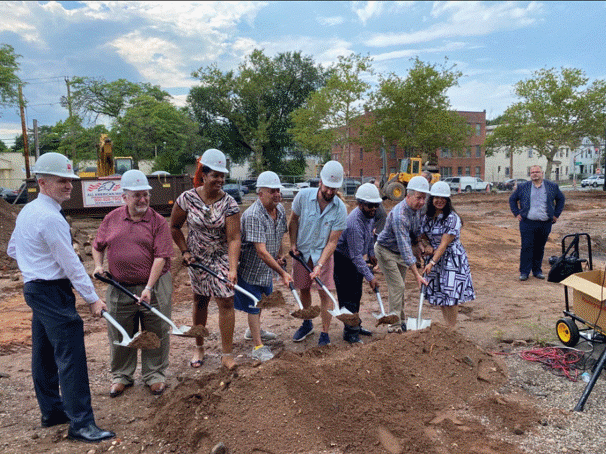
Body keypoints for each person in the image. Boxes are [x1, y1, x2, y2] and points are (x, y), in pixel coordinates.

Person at [7, 152, 115, 443]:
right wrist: (92, 299)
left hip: (36, 289)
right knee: (71, 357)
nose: (68, 185)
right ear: (42, 182)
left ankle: (52, 411)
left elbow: (13, 250)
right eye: (61, 181)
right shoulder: (50, 218)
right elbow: (71, 264)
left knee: (43, 353)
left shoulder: (28, 211)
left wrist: (33, 266)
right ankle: (81, 424)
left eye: (70, 180)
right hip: (51, 291)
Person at [92, 170, 173, 397]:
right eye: (137, 195)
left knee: (156, 330)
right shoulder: (112, 218)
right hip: (120, 287)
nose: (143, 200)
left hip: (155, 286)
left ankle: (154, 375)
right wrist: (98, 266)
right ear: (124, 197)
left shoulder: (157, 221)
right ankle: (121, 376)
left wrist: (148, 288)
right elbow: (97, 246)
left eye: (145, 194)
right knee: (119, 330)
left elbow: (161, 257)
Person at [170, 149, 240, 370]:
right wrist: (184, 251)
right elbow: (174, 227)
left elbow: (233, 238)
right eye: (215, 175)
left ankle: (227, 354)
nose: (220, 180)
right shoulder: (187, 199)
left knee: (227, 300)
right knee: (200, 300)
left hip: (221, 257)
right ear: (204, 174)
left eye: (222, 176)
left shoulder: (230, 204)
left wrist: (232, 268)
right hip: (197, 259)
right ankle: (199, 347)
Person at [289, 160, 348, 346]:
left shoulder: (340, 209)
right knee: (304, 288)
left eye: (334, 189)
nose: (330, 192)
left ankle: (325, 332)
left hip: (323, 254)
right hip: (302, 252)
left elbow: (333, 241)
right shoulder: (303, 197)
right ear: (320, 182)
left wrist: (320, 264)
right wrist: (292, 244)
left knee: (325, 292)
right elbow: (293, 221)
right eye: (328, 188)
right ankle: (307, 324)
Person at [235, 171, 292, 361]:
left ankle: (253, 332)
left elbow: (279, 236)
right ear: (260, 193)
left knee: (261, 303)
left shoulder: (280, 210)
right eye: (272, 191)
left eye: (278, 190)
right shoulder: (253, 215)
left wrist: (280, 255)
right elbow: (260, 251)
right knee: (254, 304)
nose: (277, 194)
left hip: (267, 268)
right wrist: (282, 272)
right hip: (251, 269)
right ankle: (258, 346)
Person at [374, 176, 430, 333]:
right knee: (397, 286)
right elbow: (406, 249)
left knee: (399, 288)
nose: (421, 202)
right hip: (385, 251)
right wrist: (417, 275)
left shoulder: (417, 210)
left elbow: (417, 231)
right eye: (418, 197)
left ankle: (401, 320)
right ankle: (394, 326)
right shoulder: (400, 215)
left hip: (399, 252)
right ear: (408, 195)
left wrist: (419, 244)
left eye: (424, 198)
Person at [419, 181, 475, 328]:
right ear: (431, 199)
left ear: (448, 200)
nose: (439, 200)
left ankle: (451, 329)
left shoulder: (452, 218)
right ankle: (448, 328)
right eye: (436, 197)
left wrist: (432, 262)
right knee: (442, 297)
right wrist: (427, 245)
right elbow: (422, 235)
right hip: (436, 260)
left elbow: (444, 244)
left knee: (451, 297)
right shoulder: (427, 217)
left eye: (443, 197)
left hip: (451, 260)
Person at [334, 183, 381, 344]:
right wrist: (370, 277)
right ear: (360, 204)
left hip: (354, 258)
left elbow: (369, 234)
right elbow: (355, 257)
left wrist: (372, 253)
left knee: (356, 294)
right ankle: (350, 332)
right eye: (370, 205)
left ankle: (356, 325)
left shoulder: (369, 215)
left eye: (376, 205)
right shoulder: (354, 223)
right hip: (343, 260)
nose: (373, 209)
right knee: (347, 296)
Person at [509, 165, 565, 281]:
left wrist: (556, 215)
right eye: (532, 172)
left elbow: (561, 199)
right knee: (526, 247)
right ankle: (524, 272)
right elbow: (512, 199)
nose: (534, 174)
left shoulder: (551, 186)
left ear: (542, 173)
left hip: (545, 223)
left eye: (537, 172)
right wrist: (516, 213)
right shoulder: (523, 187)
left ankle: (537, 271)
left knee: (540, 247)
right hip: (527, 223)